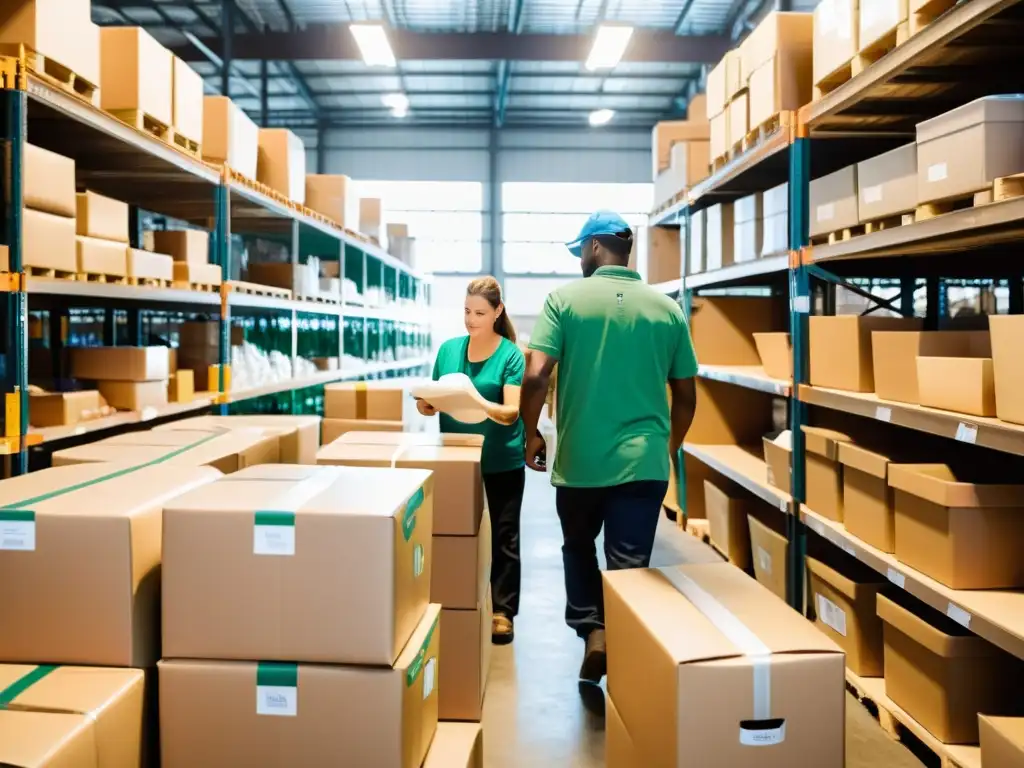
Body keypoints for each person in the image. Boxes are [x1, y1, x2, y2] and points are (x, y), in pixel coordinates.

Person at [519, 210, 698, 693]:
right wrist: (667, 447)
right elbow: (686, 396)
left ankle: (592, 630)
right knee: (629, 565)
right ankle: (630, 659)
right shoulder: (667, 309)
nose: (580, 257)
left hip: (581, 461)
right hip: (644, 463)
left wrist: (530, 430)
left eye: (581, 248)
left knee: (578, 548)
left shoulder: (564, 301)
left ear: (595, 248)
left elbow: (535, 376)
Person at [416, 276, 527, 645]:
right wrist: (427, 402)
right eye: (466, 311)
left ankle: (502, 611)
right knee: (455, 531)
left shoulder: (510, 354)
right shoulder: (448, 350)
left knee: (504, 535)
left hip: (502, 458)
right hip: (456, 457)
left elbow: (512, 412)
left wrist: (476, 401)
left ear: (498, 311)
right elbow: (429, 404)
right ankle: (455, 596)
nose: (471, 319)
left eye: (479, 312)